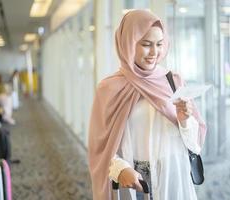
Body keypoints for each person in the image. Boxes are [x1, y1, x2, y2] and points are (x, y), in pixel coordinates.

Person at [88, 10, 207, 200]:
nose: (154, 52)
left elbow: (194, 143)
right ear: (128, 43)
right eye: (146, 44)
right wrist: (120, 169)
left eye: (159, 44)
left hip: (172, 178)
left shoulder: (173, 81)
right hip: (132, 183)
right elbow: (100, 147)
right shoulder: (109, 88)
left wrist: (184, 121)